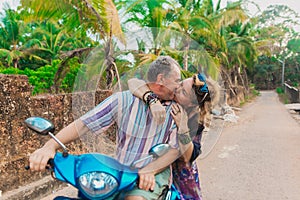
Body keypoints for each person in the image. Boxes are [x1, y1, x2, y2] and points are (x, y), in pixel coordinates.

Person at [29, 56, 183, 200]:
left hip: (151, 173)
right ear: (161, 79)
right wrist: (50, 146)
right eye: (177, 81)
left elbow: (175, 149)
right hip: (120, 170)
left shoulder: (178, 110)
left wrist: (150, 169)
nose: (179, 86)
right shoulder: (124, 100)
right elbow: (84, 124)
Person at [128, 73, 220, 199]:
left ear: (192, 105)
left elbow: (187, 157)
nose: (177, 88)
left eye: (183, 92)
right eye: (181, 83)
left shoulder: (194, 121)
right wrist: (152, 100)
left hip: (181, 176)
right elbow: (133, 82)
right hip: (154, 164)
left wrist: (182, 127)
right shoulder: (166, 94)